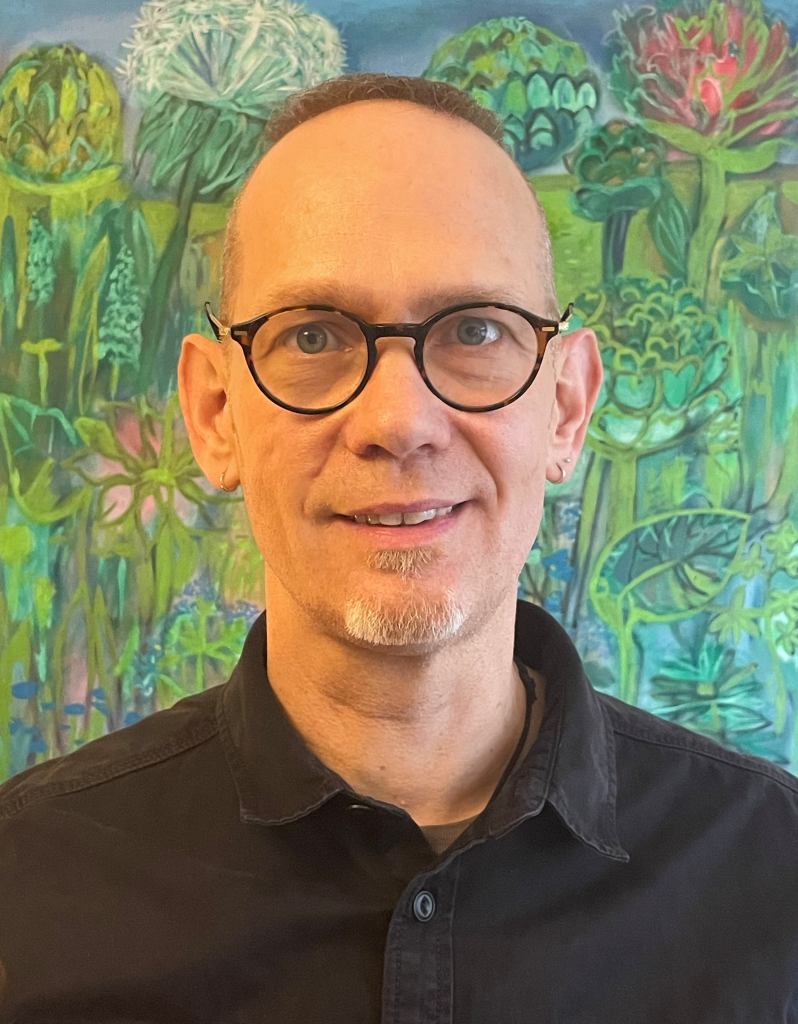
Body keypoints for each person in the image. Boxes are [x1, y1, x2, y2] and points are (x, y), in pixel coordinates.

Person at [0, 72, 796, 1023]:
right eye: (312, 336)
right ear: (215, 413)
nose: (398, 421)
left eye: (475, 330)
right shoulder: (27, 890)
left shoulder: (774, 875)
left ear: (567, 407)